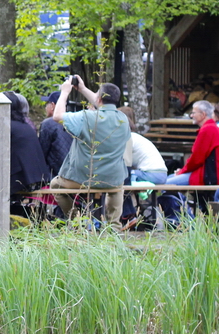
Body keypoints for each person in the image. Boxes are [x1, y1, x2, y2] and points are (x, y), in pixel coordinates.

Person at [50, 77, 130, 228]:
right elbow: (104, 103)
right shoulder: (123, 119)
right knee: (118, 186)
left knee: (55, 185)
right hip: (112, 178)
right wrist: (83, 89)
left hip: (83, 178)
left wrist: (65, 92)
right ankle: (114, 227)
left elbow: (57, 116)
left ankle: (77, 222)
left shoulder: (86, 117)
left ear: (98, 98)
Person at [118, 106, 167, 185]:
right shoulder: (135, 136)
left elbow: (125, 163)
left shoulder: (127, 138)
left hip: (151, 174)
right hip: (162, 174)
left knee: (123, 176)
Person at [38, 90, 72, 180]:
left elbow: (41, 153)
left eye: (47, 104)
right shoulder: (74, 120)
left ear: (53, 105)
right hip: (75, 173)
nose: (45, 108)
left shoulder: (48, 124)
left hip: (56, 176)